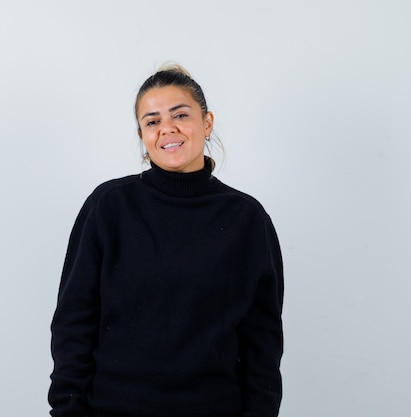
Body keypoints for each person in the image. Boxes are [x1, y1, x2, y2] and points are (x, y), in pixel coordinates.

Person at [48, 64, 284, 417]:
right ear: (142, 134)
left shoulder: (246, 219)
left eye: (180, 114)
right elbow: (73, 322)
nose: (166, 128)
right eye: (152, 120)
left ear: (207, 122)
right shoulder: (109, 206)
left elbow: (262, 343)